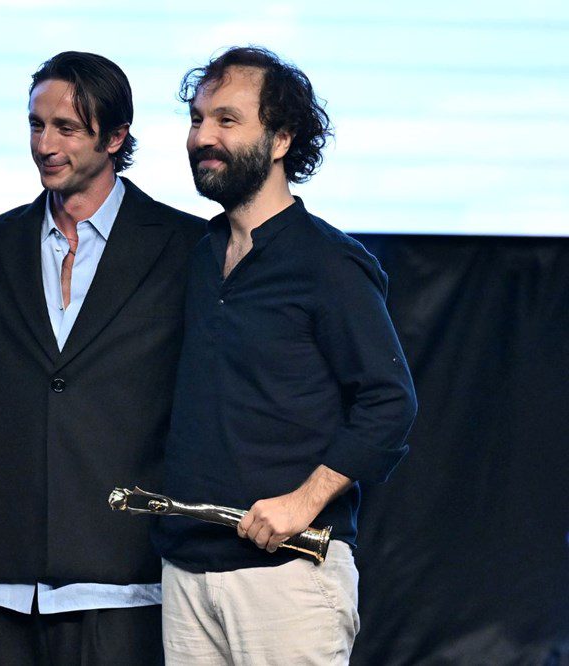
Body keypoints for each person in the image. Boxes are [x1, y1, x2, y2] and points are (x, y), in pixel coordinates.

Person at [150, 46, 419, 664]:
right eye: (196, 119)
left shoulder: (329, 262)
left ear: (281, 139)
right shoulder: (198, 256)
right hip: (187, 573)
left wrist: (303, 502)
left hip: (288, 576)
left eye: (227, 119)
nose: (202, 136)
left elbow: (389, 403)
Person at [0, 52, 205, 664]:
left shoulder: (186, 246)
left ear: (115, 137)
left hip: (125, 571)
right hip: (3, 573)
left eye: (65, 128)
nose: (45, 144)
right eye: (36, 125)